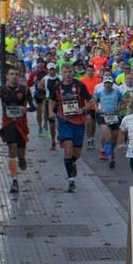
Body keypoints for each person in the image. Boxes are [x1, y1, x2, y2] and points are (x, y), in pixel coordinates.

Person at [0, 65, 32, 195]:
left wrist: (26, 109)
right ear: (7, 76)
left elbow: (33, 106)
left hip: (21, 124)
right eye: (11, 74)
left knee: (20, 151)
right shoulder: (1, 90)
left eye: (16, 74)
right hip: (8, 124)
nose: (14, 76)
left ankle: (22, 158)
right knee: (12, 148)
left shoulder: (25, 89)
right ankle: (14, 181)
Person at [50, 64, 93, 192]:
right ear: (61, 73)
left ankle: (73, 163)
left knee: (77, 153)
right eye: (65, 72)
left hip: (79, 122)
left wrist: (84, 109)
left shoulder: (80, 86)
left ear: (73, 72)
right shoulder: (57, 87)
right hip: (64, 121)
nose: (68, 74)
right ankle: (71, 181)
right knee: (68, 146)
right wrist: (50, 112)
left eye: (70, 72)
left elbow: (91, 100)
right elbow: (51, 100)